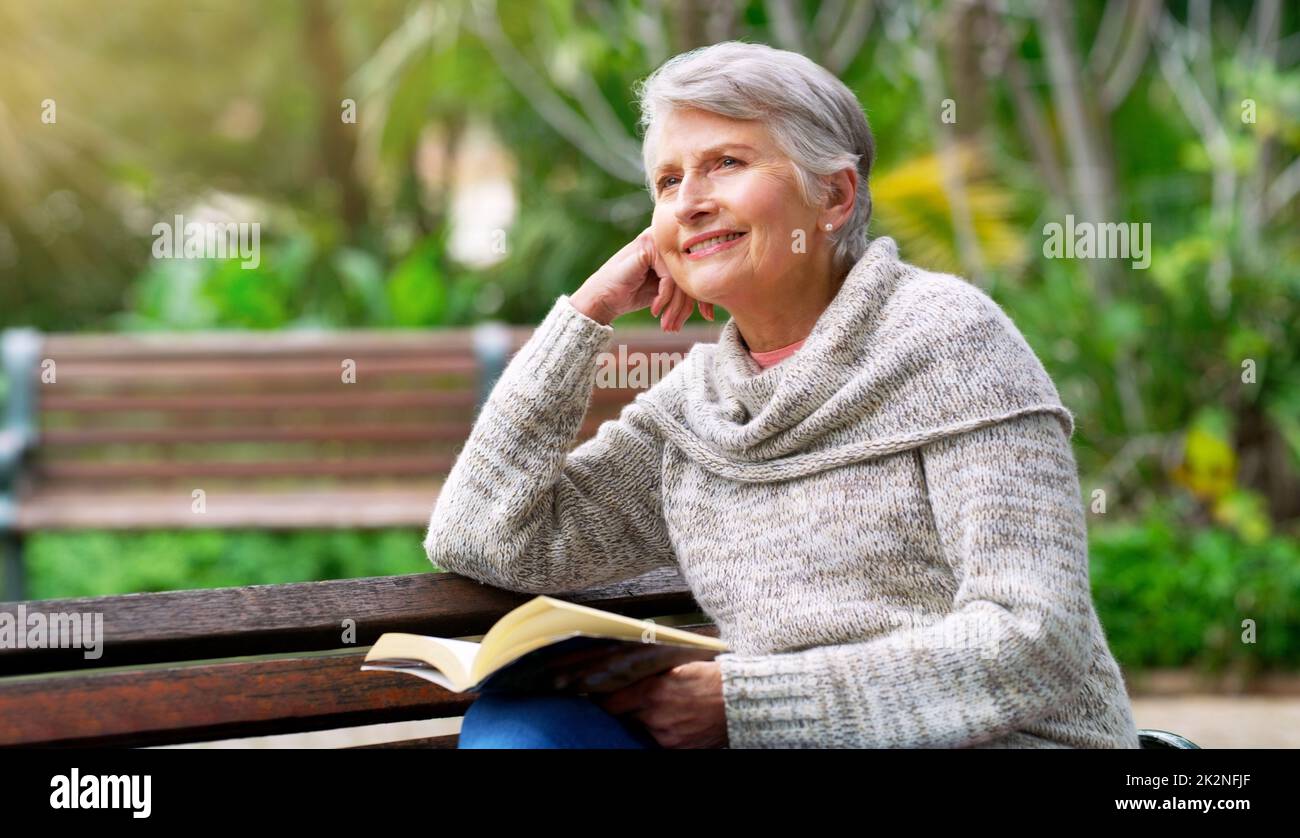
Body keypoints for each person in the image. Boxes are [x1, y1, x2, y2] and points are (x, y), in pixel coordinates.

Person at [430, 40, 1142, 749]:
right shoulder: (698, 410)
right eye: (668, 182)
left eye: (726, 164)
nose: (690, 204)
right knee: (522, 730)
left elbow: (1036, 641)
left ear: (833, 195)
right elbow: (483, 537)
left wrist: (748, 704)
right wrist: (585, 316)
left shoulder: (950, 341)